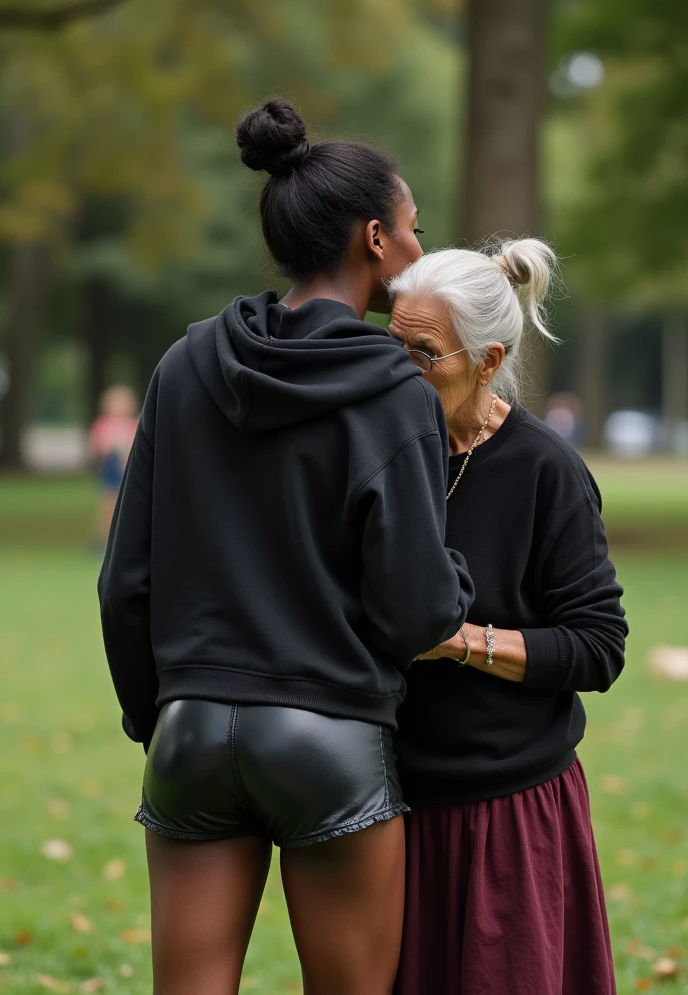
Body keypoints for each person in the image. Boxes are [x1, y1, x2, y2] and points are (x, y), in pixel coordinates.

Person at [98, 97, 473, 995]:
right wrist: (455, 578)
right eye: (416, 229)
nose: (422, 250)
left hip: (190, 728)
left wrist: (162, 714)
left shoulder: (185, 363)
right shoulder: (396, 390)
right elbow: (418, 609)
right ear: (375, 238)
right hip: (329, 737)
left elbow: (126, 582)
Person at [388, 239, 628, 995]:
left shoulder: (544, 471)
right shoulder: (384, 451)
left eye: (425, 354)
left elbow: (598, 646)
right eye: (392, 346)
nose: (402, 372)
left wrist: (459, 642)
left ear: (489, 361)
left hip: (508, 819)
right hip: (391, 810)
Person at [89, 385, 138, 548]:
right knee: (108, 504)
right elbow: (97, 445)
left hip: (126, 468)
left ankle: (123, 538)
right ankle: (102, 538)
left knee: (125, 504)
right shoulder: (103, 424)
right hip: (111, 468)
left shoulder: (133, 424)